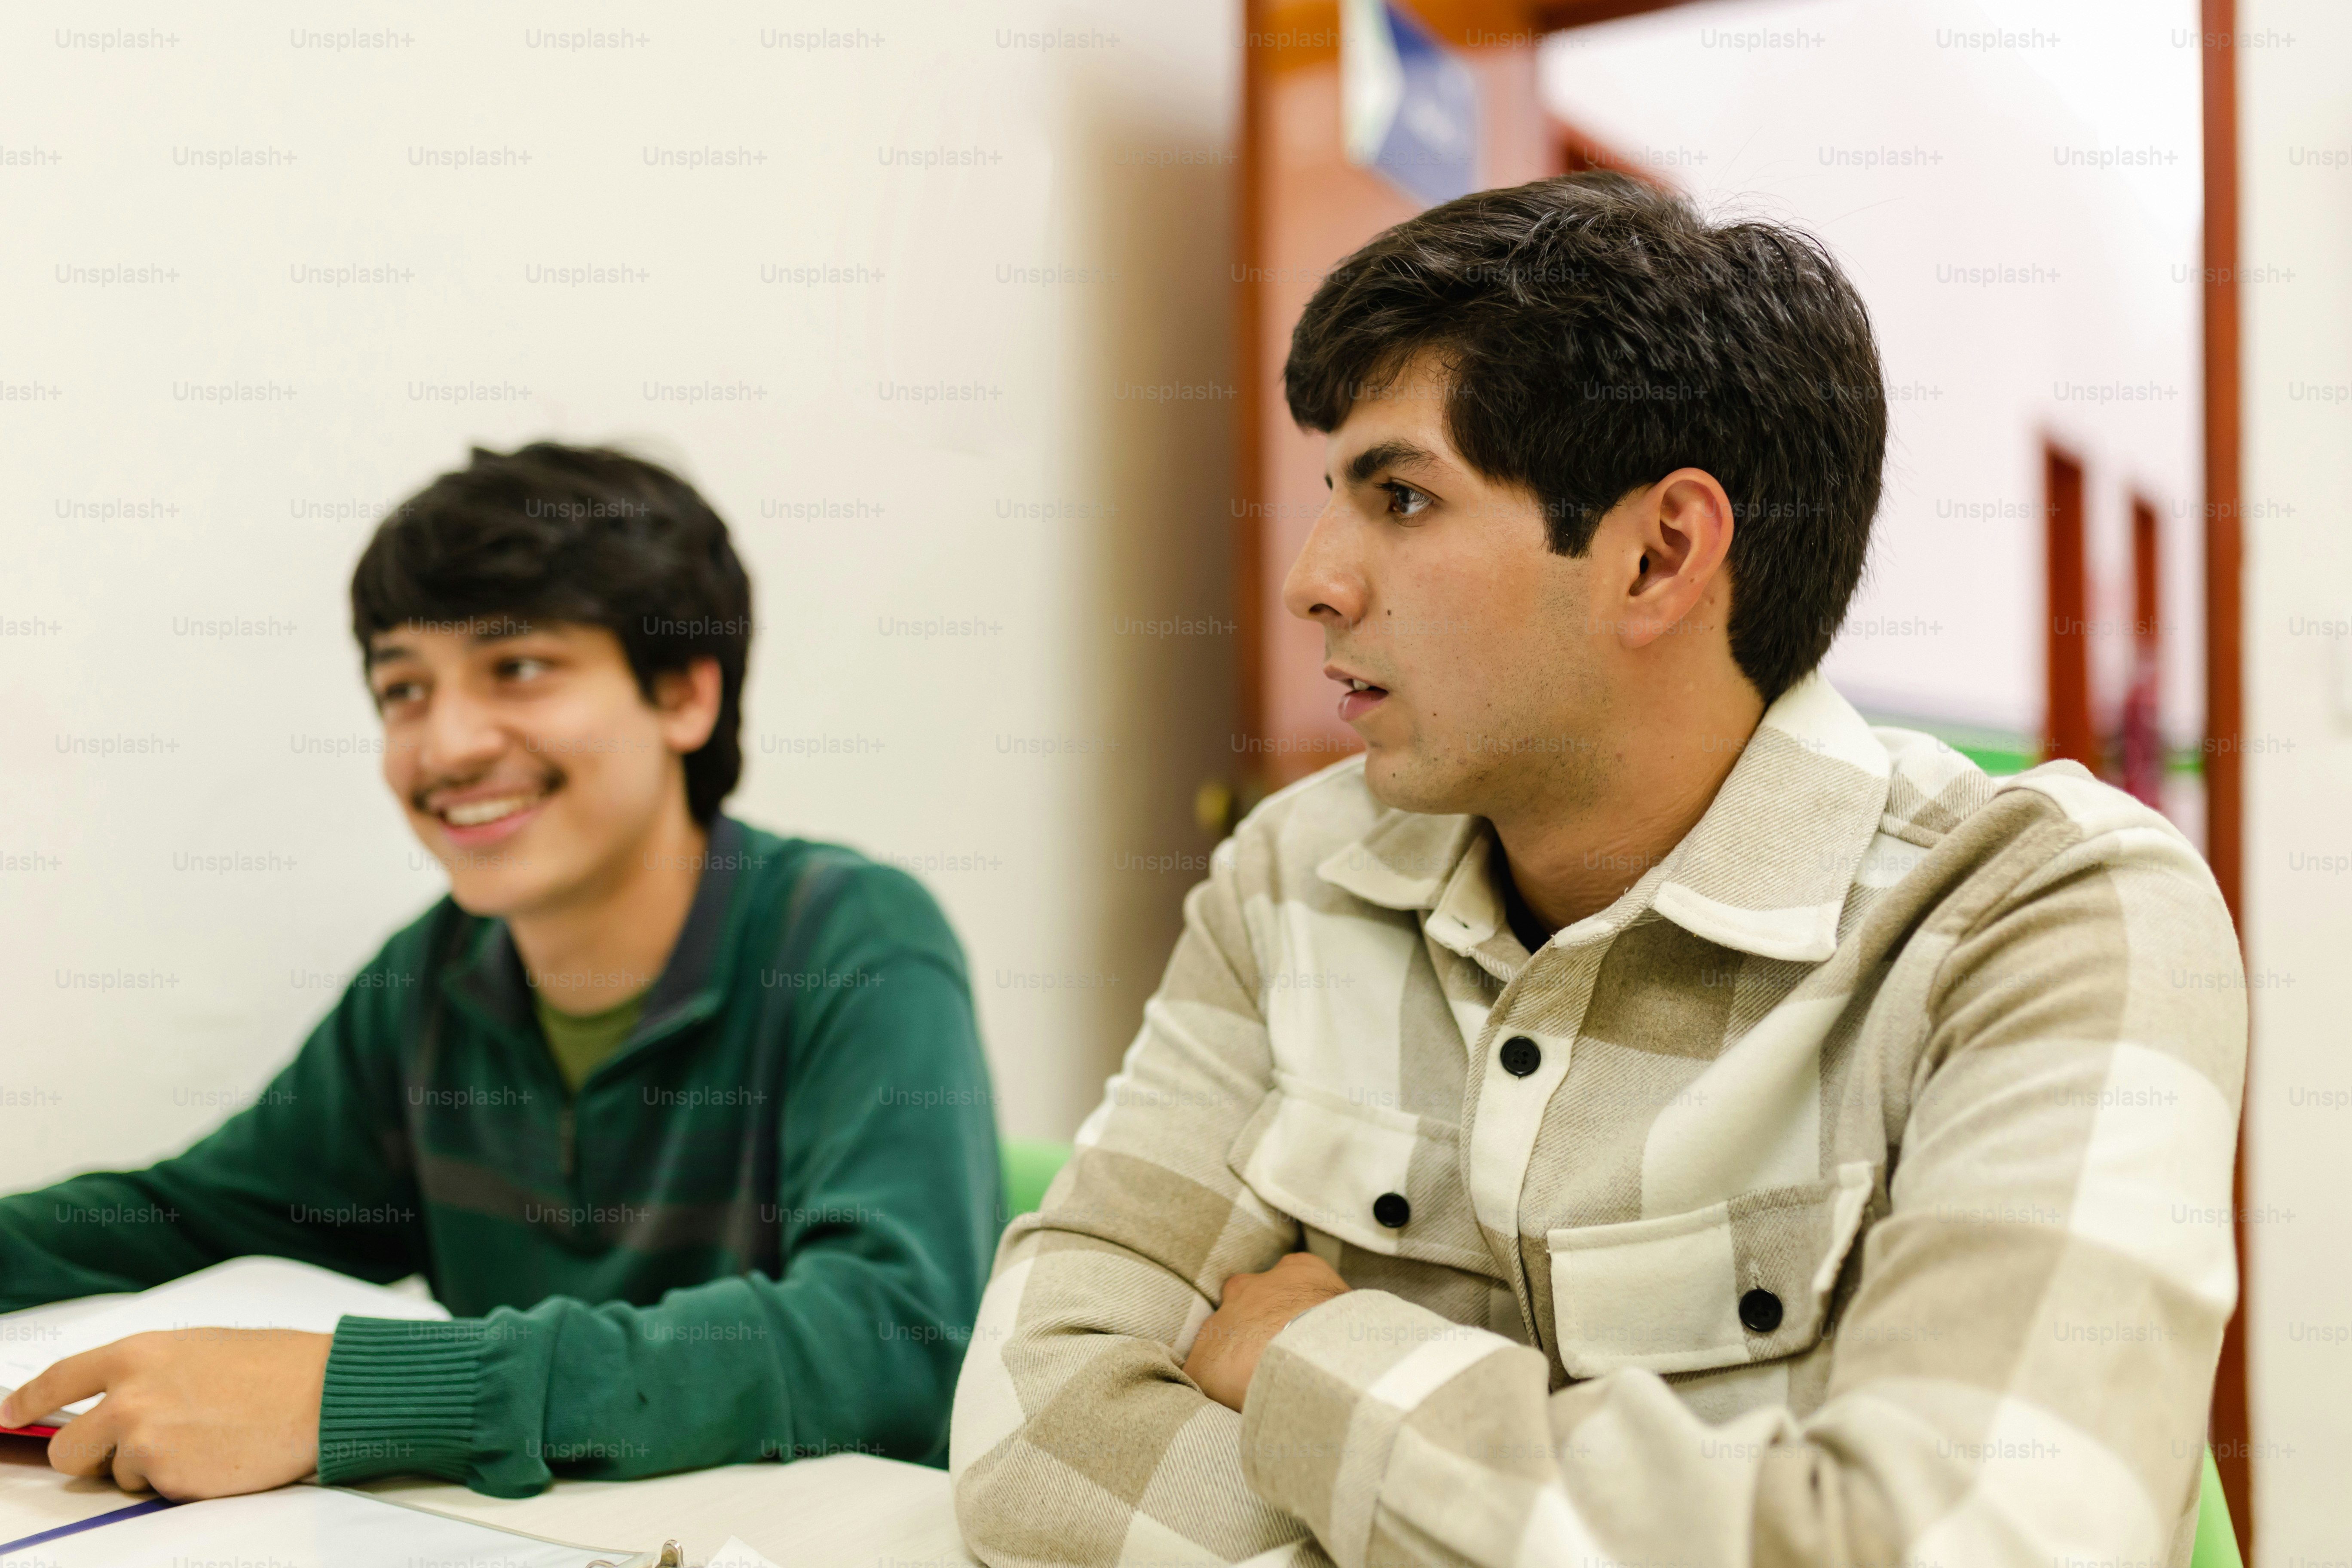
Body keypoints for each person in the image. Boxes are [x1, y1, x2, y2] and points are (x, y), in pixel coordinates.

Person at [949, 173, 2245, 1568]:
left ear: (1659, 553)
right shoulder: (1291, 874)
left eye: (1399, 494)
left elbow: (1975, 1544)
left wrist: (1322, 1358)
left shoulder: (2046, 915)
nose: (1312, 579)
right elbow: (1033, 1423)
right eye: (1335, 494)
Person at [0, 444, 1001, 1499]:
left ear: (684, 696)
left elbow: (893, 1343)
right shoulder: (431, 978)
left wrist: (347, 1393)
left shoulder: (855, 941)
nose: (449, 745)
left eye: (516, 668)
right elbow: (186, 1216)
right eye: (404, 689)